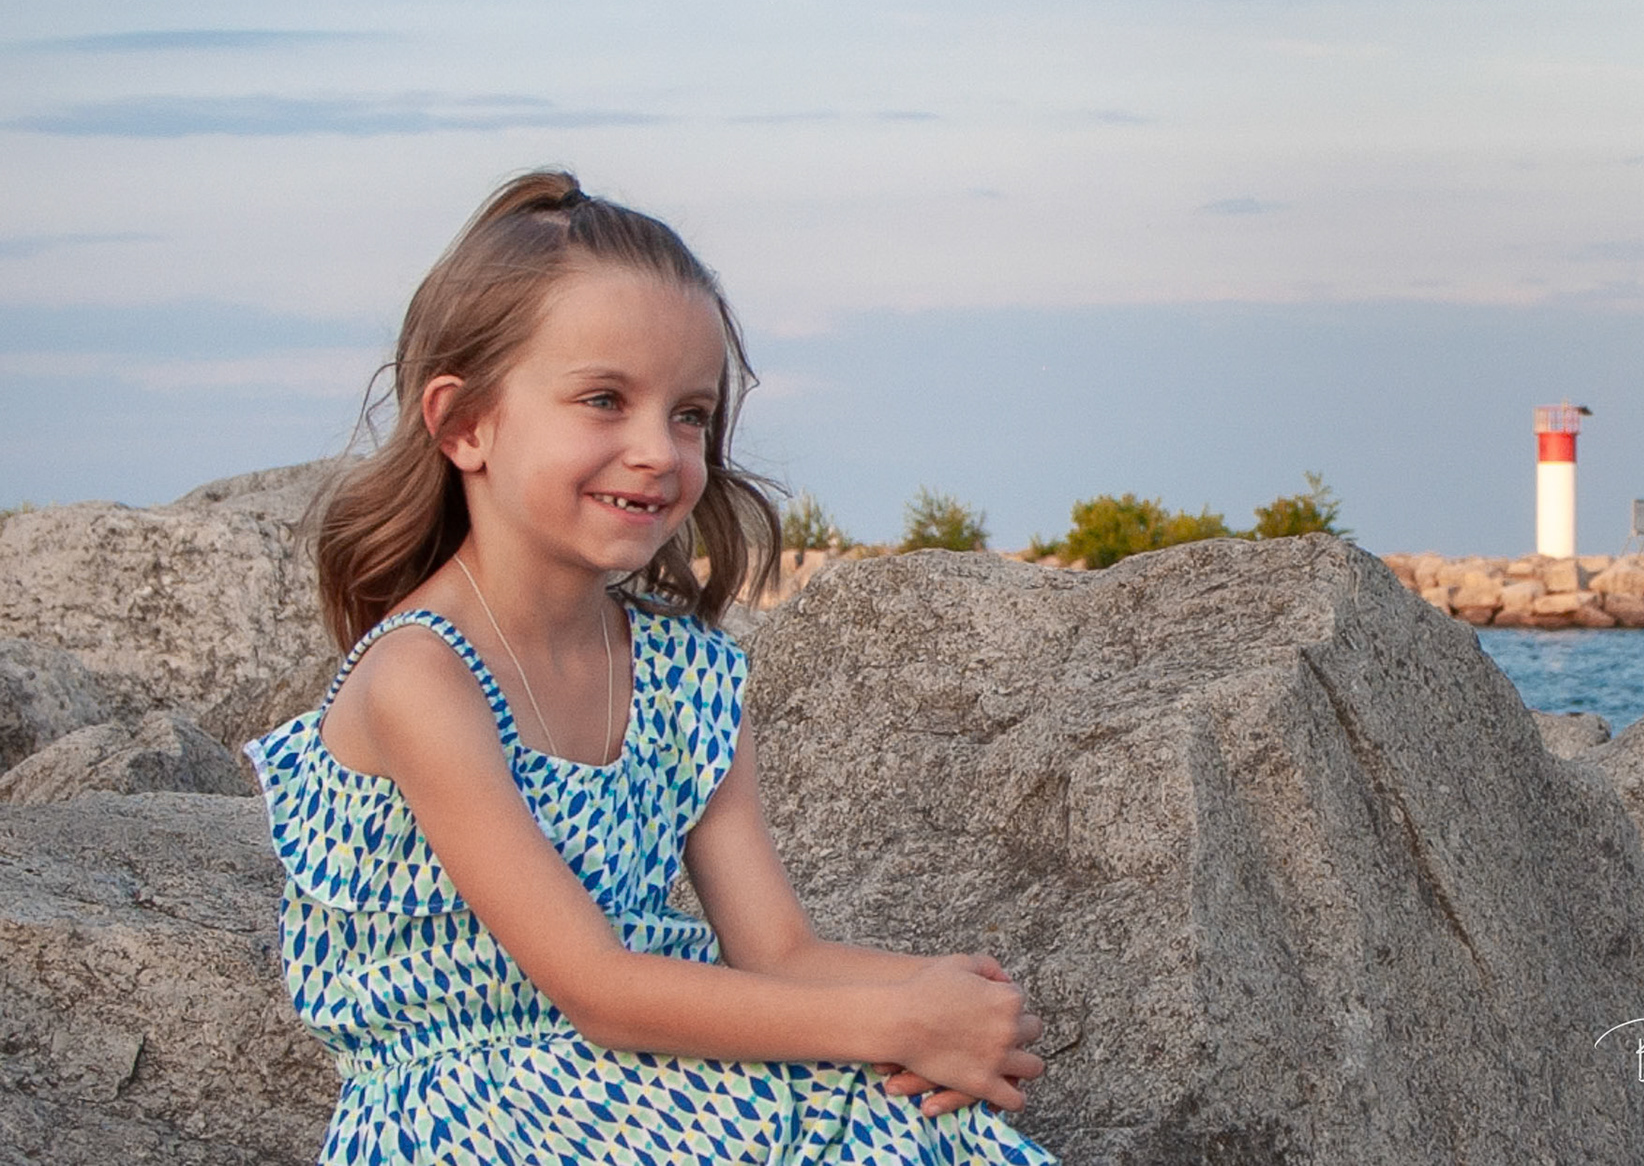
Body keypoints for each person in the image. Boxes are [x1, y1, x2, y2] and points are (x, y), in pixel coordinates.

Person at [243, 171, 1057, 1164]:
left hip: (637, 1078)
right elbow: (598, 988)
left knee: (921, 1119)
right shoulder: (423, 676)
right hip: (474, 1111)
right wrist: (892, 1026)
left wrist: (942, 1002)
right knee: (863, 1090)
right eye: (602, 399)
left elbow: (778, 953)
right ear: (464, 425)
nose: (658, 451)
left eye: (689, 414)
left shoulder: (684, 674)